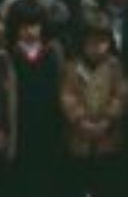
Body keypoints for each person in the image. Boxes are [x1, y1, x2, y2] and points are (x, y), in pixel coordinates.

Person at [0, 0, 66, 197]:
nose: (30, 31)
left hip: (48, 129)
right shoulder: (2, 57)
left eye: (34, 25)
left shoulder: (54, 53)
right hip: (17, 130)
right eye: (24, 26)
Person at [59, 10, 124, 197]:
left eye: (102, 42)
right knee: (79, 185)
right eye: (92, 42)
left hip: (108, 139)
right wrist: (80, 120)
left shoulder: (115, 67)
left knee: (106, 184)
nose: (97, 47)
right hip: (79, 139)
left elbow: (120, 95)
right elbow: (67, 96)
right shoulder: (72, 67)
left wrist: (107, 120)